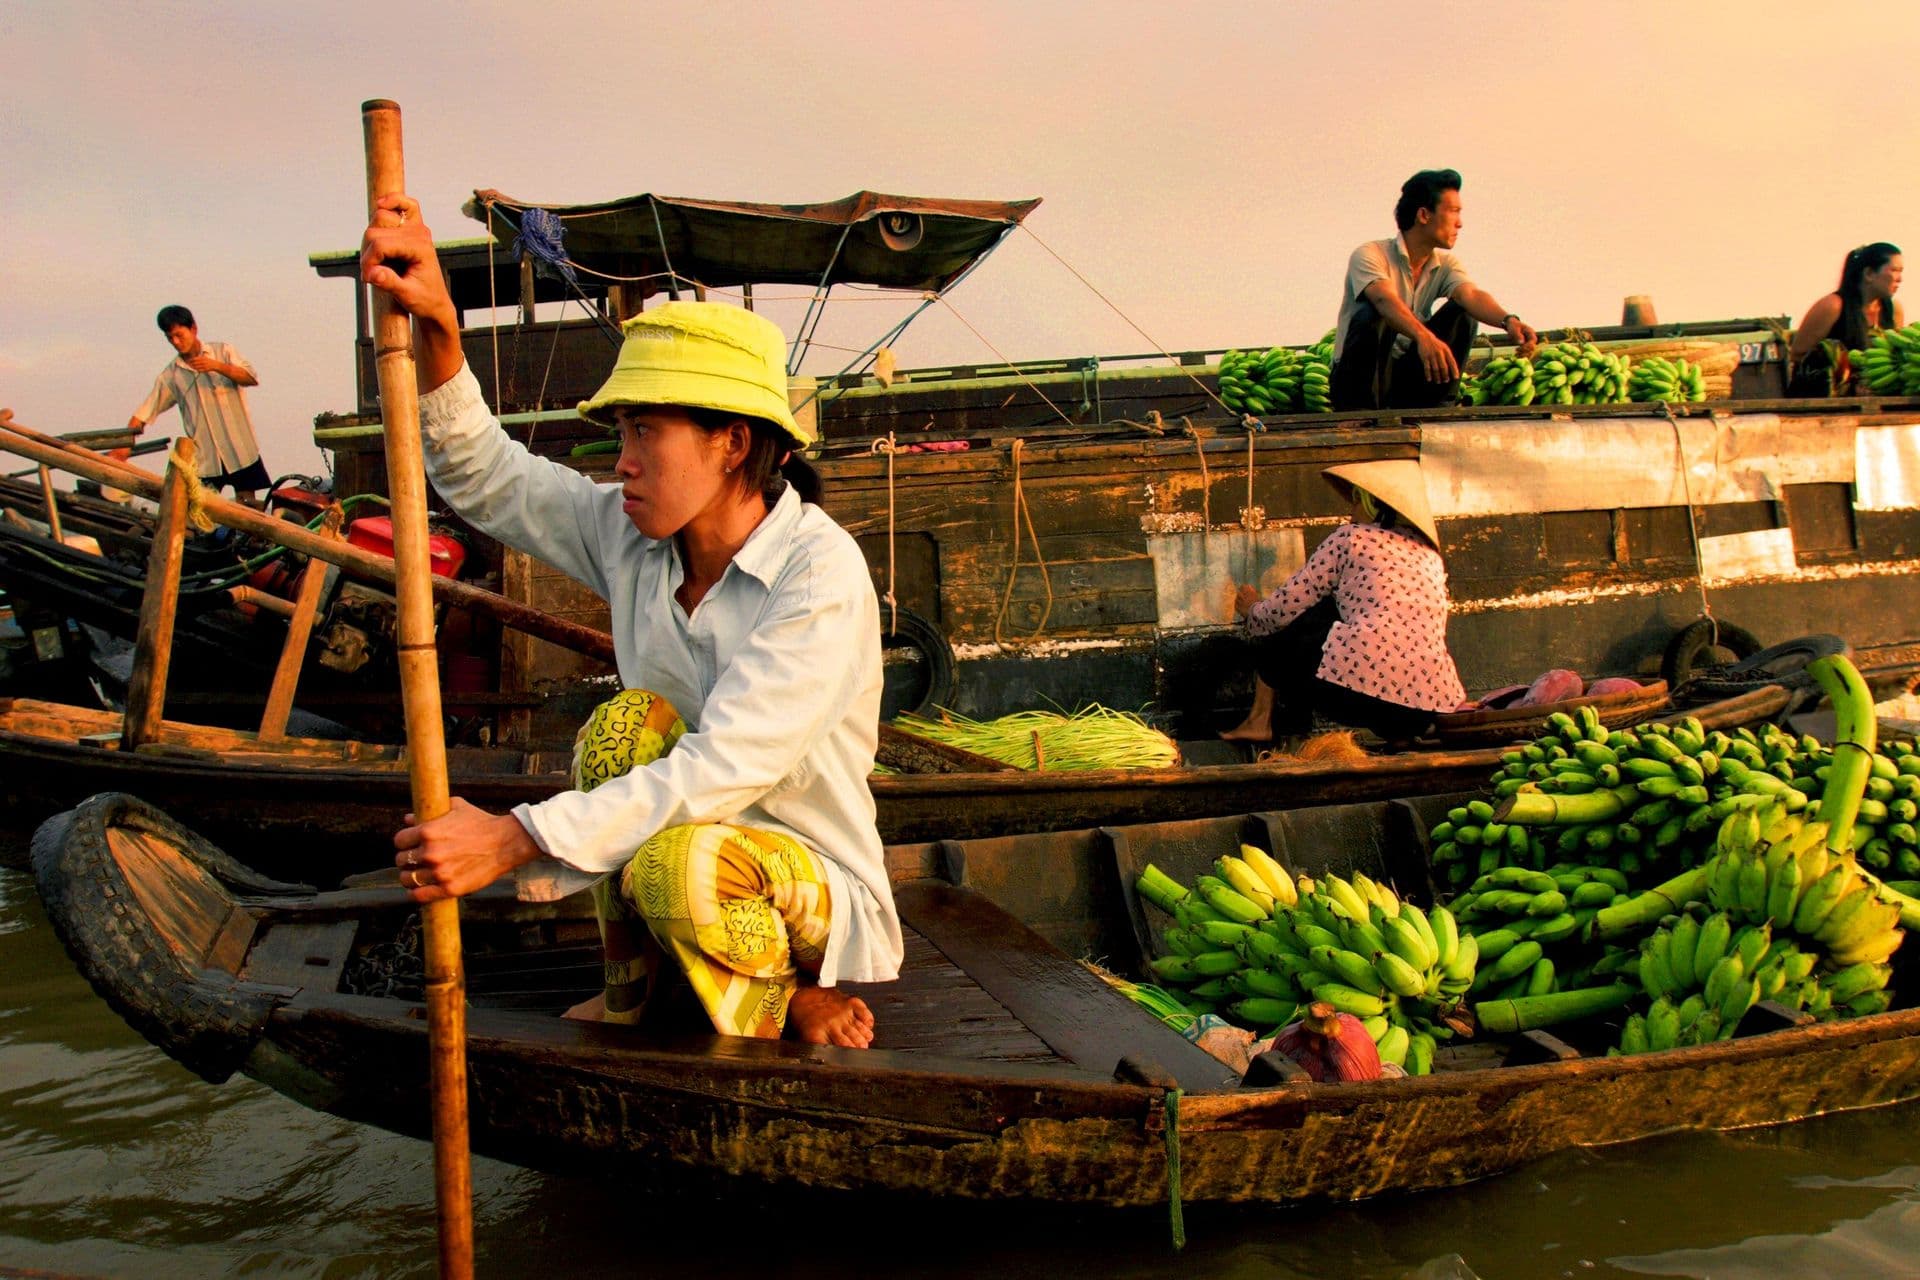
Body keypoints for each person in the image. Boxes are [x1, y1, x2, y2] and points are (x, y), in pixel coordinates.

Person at [363, 194, 895, 1049]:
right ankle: (634, 991)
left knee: (682, 865)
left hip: (802, 883)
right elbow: (489, 479)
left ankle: (784, 998)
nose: (624, 462)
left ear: (732, 442)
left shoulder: (817, 574)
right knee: (621, 729)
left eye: (646, 432)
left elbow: (723, 768)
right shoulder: (634, 537)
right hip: (676, 859)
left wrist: (512, 836)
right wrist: (438, 328)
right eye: (622, 433)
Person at [1224, 459, 1465, 744]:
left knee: (1305, 615)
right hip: (1430, 705)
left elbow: (1288, 604)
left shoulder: (1351, 537)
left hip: (1356, 692)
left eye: (1356, 501)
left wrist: (1254, 610)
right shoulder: (1430, 556)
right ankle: (1401, 737)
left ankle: (1258, 720)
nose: (1351, 511)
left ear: (1373, 505)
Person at [1329, 170, 1539, 411]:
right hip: (1359, 383)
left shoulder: (1445, 264)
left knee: (1464, 312)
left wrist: (1508, 321)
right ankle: (1364, 413)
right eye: (1453, 211)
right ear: (1424, 215)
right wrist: (1424, 336)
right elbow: (1383, 299)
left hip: (1406, 380)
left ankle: (1440, 405)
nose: (1459, 223)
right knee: (1375, 313)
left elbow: (1471, 295)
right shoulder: (1370, 254)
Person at [126, 305, 271, 502]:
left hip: (239, 449)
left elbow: (250, 378)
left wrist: (217, 366)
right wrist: (124, 445)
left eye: (179, 335)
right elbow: (146, 411)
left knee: (247, 504)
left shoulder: (223, 351)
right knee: (198, 510)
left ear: (193, 329)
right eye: (170, 338)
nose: (176, 342)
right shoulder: (171, 375)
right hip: (205, 459)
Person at [1788, 243, 1904, 397]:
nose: (1900, 279)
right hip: (1826, 400)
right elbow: (1798, 354)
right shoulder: (1833, 306)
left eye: (1901, 272)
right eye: (1894, 270)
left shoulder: (1894, 310)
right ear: (1869, 274)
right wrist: (1842, 370)